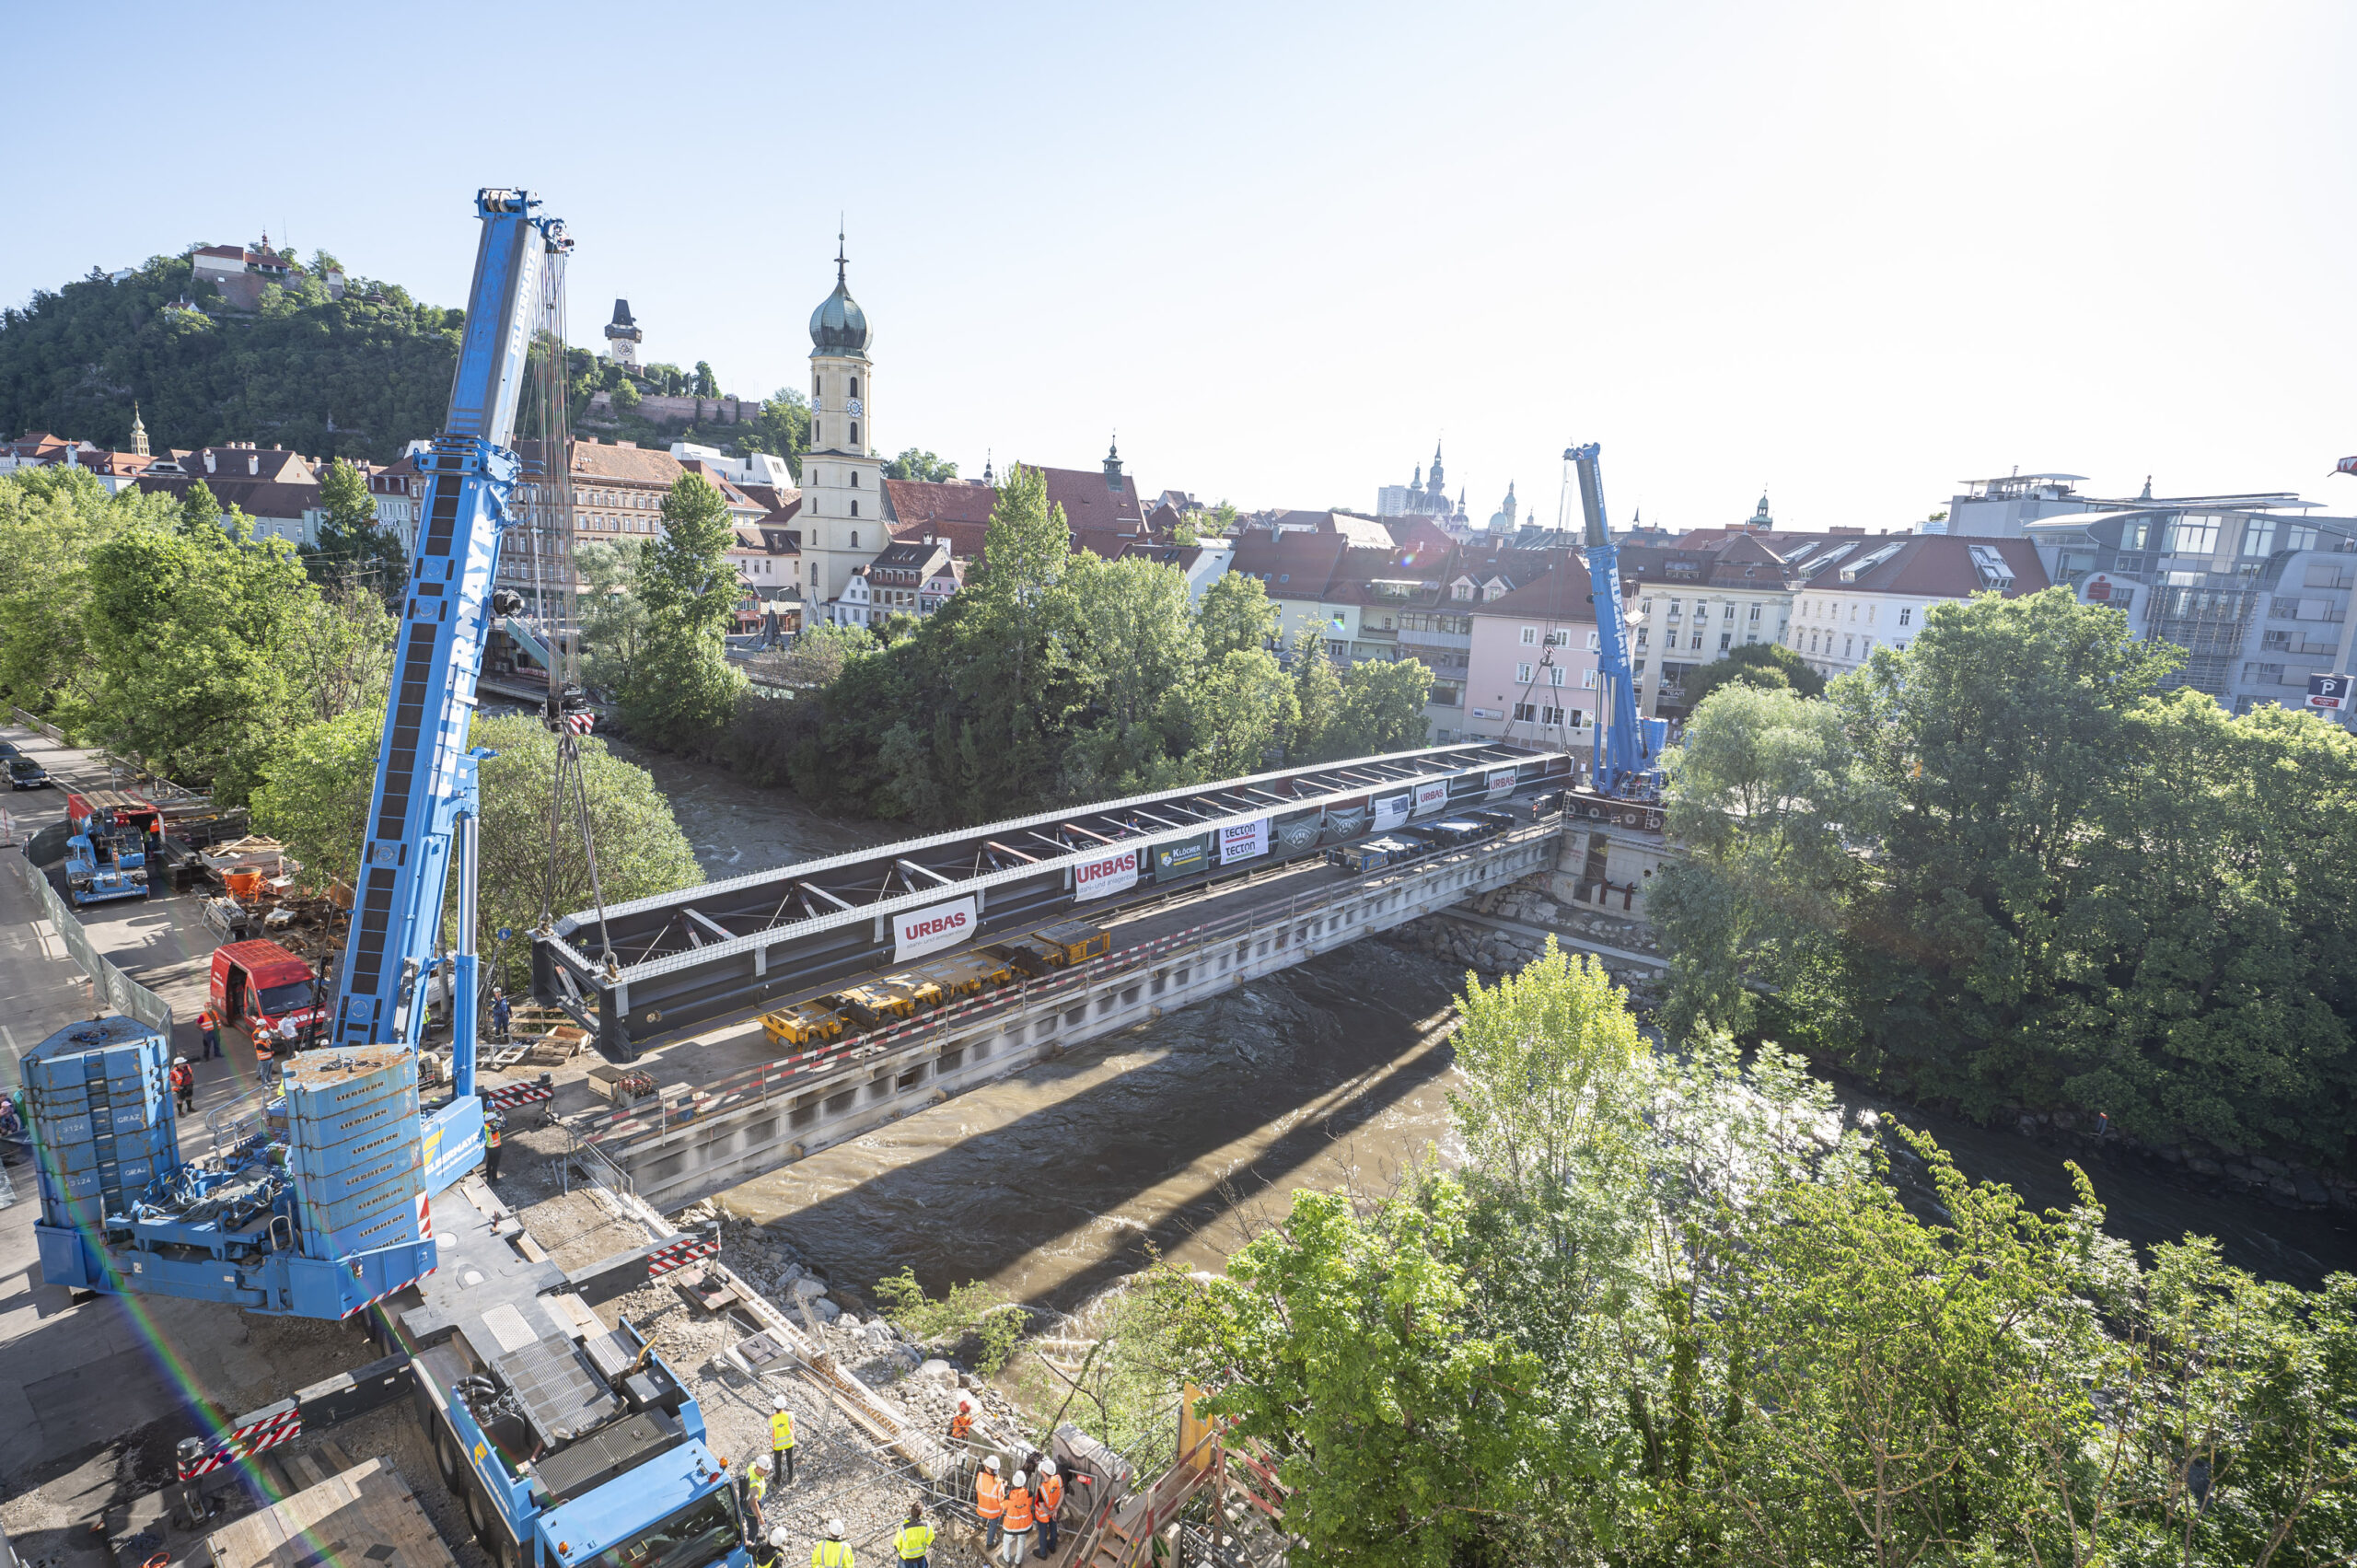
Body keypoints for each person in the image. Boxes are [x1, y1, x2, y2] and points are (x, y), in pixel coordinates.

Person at [997, 1470, 1033, 1568]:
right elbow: (1028, 1503)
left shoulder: (1009, 1497)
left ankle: (1006, 1560)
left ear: (1013, 1482)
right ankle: (1018, 1562)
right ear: (1024, 1482)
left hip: (1011, 1526)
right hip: (1024, 1525)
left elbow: (1002, 1505)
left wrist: (1002, 1491)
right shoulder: (1029, 1494)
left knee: (1006, 1540)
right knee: (1021, 1541)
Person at [975, 1456, 1005, 1553]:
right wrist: (1003, 1486)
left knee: (985, 1515)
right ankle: (989, 1544)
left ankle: (983, 1523)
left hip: (981, 1508)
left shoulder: (980, 1477)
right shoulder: (999, 1483)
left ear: (987, 1468)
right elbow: (1001, 1497)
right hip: (993, 1512)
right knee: (992, 1526)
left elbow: (978, 1489)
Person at [1033, 1460, 1062, 1559]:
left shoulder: (1041, 1489)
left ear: (1043, 1473)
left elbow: (1042, 1506)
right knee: (1054, 1530)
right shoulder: (1058, 1479)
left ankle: (1043, 1553)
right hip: (1054, 1511)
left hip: (1043, 1515)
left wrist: (1050, 1512)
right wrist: (1056, 1510)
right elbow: (1062, 1493)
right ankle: (1052, 1547)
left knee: (1043, 1533)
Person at [893, 1502, 934, 1568]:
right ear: (921, 1513)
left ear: (911, 1512)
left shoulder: (903, 1528)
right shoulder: (927, 1526)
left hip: (906, 1561)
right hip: (920, 1559)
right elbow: (930, 1541)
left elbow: (896, 1545)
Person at [771, 1394, 797, 1485]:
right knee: (789, 1460)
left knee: (778, 1462)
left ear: (775, 1406)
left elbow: (772, 1426)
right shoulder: (790, 1415)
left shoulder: (771, 1419)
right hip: (789, 1442)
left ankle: (778, 1479)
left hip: (778, 1444)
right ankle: (790, 1477)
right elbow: (792, 1424)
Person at [742, 1454, 771, 1531]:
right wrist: (760, 1517)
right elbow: (753, 1504)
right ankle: (752, 1540)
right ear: (760, 1469)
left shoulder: (753, 1466)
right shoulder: (755, 1486)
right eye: (766, 1470)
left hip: (745, 1499)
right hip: (750, 1511)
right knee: (753, 1528)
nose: (768, 1472)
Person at [484, 1113, 505, 1180]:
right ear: (491, 1120)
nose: (494, 1120)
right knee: (495, 1164)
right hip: (495, 1148)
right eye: (493, 1119)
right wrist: (501, 1122)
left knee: (489, 1163)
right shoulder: (491, 1128)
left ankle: (489, 1177)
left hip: (489, 1148)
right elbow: (502, 1126)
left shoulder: (485, 1126)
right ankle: (494, 1180)